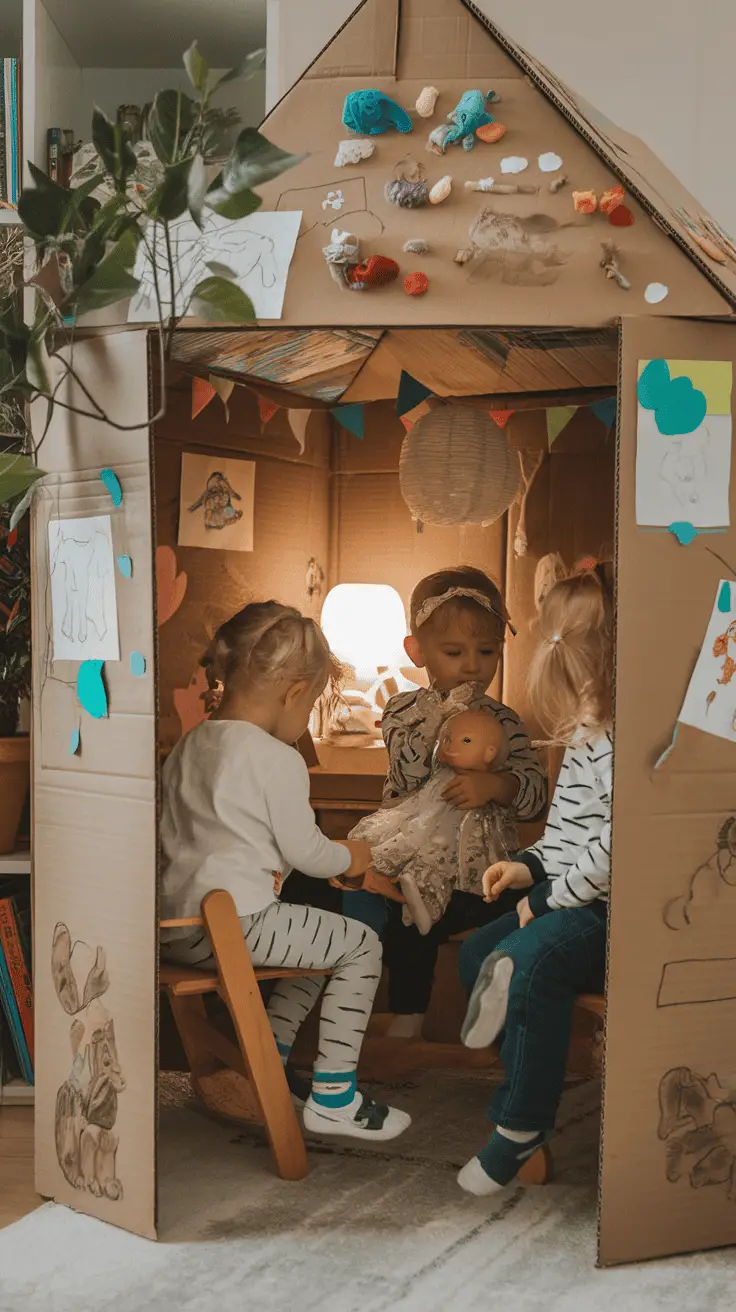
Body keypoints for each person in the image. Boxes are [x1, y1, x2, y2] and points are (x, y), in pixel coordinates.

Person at [160, 600, 411, 1143]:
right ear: (294, 693)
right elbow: (307, 853)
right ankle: (335, 1096)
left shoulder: (189, 746)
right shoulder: (277, 758)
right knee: (361, 944)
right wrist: (353, 856)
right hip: (237, 923)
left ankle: (267, 1059)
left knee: (314, 943)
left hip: (176, 928)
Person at [456, 555, 613, 1195]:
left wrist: (548, 906)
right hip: (574, 894)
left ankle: (520, 1126)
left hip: (611, 910)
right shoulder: (585, 734)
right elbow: (571, 831)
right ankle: (529, 1066)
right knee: (475, 957)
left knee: (527, 963)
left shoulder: (632, 739)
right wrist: (528, 868)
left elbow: (615, 847)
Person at [342, 566, 547, 1038]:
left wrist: (498, 786)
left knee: (518, 897)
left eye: (487, 651)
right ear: (417, 651)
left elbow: (536, 798)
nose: (473, 665)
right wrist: (444, 719)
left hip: (480, 861)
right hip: (413, 852)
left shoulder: (507, 721)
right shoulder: (402, 710)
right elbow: (407, 775)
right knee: (408, 913)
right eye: (454, 652)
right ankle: (405, 1016)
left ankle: (501, 1010)